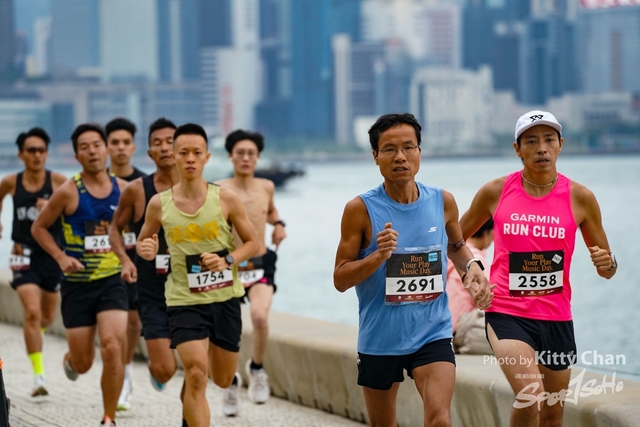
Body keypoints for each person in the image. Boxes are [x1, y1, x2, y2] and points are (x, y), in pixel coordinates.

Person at [333, 113, 494, 427]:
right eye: (389, 149)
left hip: (433, 333)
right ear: (375, 156)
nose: (400, 156)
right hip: (380, 338)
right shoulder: (359, 209)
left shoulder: (443, 201)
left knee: (439, 419)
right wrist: (378, 256)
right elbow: (340, 278)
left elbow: (456, 246)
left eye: (408, 147)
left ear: (419, 152)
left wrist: (472, 268)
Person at [459, 110, 618, 427]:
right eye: (531, 141)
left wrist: (608, 263)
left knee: (552, 415)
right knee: (530, 395)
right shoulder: (495, 191)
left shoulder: (581, 198)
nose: (541, 148)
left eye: (549, 140)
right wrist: (471, 270)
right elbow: (455, 240)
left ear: (561, 144)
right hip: (506, 312)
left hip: (556, 316)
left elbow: (607, 269)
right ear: (517, 149)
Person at [136, 123, 259, 427]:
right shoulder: (159, 203)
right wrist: (147, 250)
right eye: (183, 153)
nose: (190, 158)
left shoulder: (226, 199)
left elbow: (253, 244)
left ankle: (198, 403)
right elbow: (143, 243)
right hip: (183, 300)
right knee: (195, 373)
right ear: (174, 156)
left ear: (206, 157)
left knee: (222, 378)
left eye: (196, 152)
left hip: (225, 298)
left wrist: (227, 260)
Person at [32, 123, 129, 427]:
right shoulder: (68, 192)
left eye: (97, 145)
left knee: (112, 346)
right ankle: (71, 360)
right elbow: (38, 228)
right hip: (77, 286)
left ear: (106, 149)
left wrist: (131, 258)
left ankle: (109, 417)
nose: (92, 151)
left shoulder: (125, 189)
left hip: (112, 281)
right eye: (84, 147)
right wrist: (61, 257)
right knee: (84, 363)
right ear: (77, 156)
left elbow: (143, 226)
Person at [108, 118, 187, 424]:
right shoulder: (137, 190)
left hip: (191, 289)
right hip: (152, 292)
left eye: (171, 141)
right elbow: (114, 229)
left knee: (196, 369)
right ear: (149, 151)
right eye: (158, 143)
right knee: (166, 370)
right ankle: (156, 370)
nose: (165, 147)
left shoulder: (198, 189)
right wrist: (126, 261)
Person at [216, 129, 286, 414]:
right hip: (228, 264)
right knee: (228, 328)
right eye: (240, 153)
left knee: (259, 316)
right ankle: (230, 382)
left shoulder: (266, 186)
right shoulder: (218, 188)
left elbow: (269, 212)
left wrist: (279, 225)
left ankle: (256, 368)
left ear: (258, 158)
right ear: (230, 156)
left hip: (259, 263)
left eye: (251, 154)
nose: (245, 158)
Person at [0, 128, 66, 397]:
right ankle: (39, 376)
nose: (37, 155)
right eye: (31, 150)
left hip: (51, 253)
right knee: (31, 311)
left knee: (46, 317)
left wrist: (51, 207)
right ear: (21, 154)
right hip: (22, 252)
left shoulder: (59, 181)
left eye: (41, 150)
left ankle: (36, 335)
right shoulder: (10, 182)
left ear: (47, 153)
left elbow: (74, 210)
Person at [105, 117, 147, 411]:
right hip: (100, 265)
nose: (120, 148)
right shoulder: (93, 181)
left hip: (134, 263)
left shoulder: (144, 183)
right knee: (108, 331)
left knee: (132, 323)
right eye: (114, 142)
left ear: (134, 146)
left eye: (126, 142)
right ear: (106, 147)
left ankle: (126, 373)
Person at [446, 218, 494, 355]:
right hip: (463, 328)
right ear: (486, 233)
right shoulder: (476, 260)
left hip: (447, 326)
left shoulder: (452, 256)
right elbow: (488, 294)